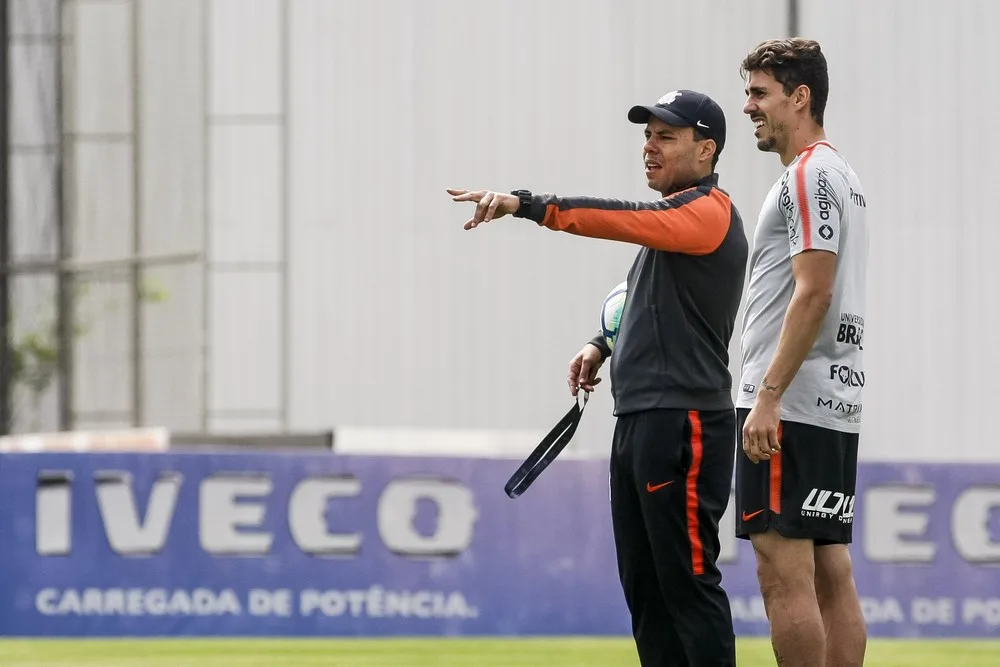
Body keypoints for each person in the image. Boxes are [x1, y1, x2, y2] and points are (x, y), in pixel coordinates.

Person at [449, 89, 748, 666]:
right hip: (641, 419)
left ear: (706, 148)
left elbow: (620, 219)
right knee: (647, 592)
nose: (649, 146)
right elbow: (645, 302)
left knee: (685, 586)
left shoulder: (708, 212)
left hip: (682, 420)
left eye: (666, 135)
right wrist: (602, 343)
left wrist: (527, 204)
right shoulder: (672, 226)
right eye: (647, 134)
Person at [735, 38, 869, 667]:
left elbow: (812, 294)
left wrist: (767, 395)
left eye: (760, 94)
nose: (749, 107)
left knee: (781, 570)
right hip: (831, 399)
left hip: (791, 404)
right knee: (827, 570)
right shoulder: (842, 174)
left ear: (800, 97)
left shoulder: (809, 174)